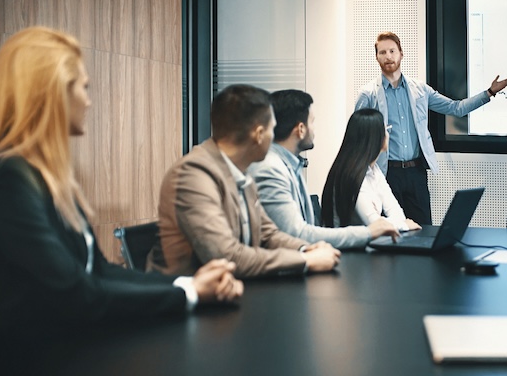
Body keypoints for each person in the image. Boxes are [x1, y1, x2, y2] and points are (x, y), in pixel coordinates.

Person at [0, 27, 243, 340]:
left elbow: (100, 271)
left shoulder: (48, 180)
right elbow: (77, 294)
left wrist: (189, 282)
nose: (89, 101)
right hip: (26, 375)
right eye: (83, 87)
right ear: (53, 93)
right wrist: (192, 294)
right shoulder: (6, 180)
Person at [148, 84, 341, 278]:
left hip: (233, 291)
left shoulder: (241, 171)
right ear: (258, 135)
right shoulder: (193, 175)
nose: (275, 138)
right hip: (186, 300)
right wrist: (305, 260)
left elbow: (268, 234)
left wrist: (307, 248)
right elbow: (227, 255)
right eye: (272, 130)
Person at [355, 31, 507, 225]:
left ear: (401, 53)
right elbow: (357, 136)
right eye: (382, 52)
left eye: (392, 51)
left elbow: (455, 108)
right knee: (392, 230)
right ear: (376, 57)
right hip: (387, 172)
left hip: (416, 172)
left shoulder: (420, 90)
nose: (388, 56)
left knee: (423, 229)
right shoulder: (368, 94)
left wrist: (489, 93)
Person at [247, 89, 400, 249]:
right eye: (312, 122)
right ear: (301, 129)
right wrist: (369, 232)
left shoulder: (291, 165)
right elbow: (297, 234)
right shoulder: (270, 168)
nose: (314, 129)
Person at [322, 108, 421, 232]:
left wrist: (399, 222)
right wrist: (403, 225)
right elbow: (374, 225)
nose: (388, 135)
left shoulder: (373, 170)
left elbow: (396, 211)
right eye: (386, 130)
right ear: (375, 138)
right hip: (348, 248)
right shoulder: (352, 176)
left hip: (366, 245)